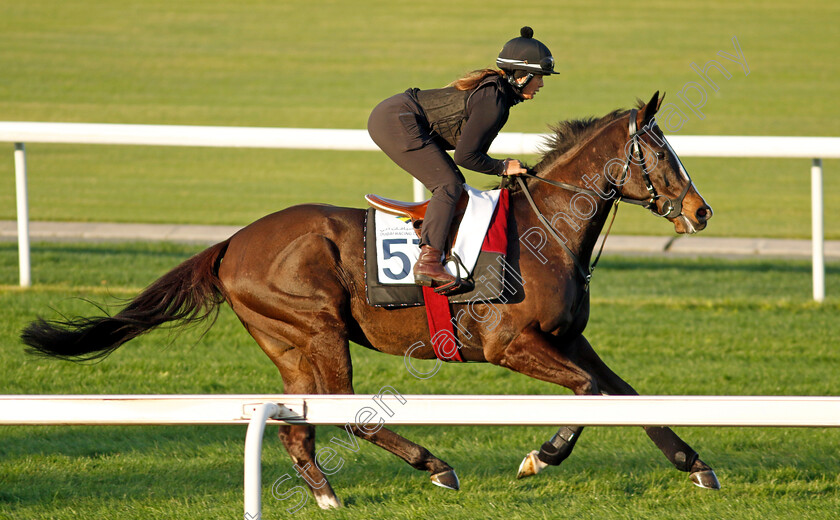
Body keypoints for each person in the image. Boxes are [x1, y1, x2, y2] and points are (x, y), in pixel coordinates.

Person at [367, 26, 558, 295]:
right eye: (539, 77)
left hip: (397, 114)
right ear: (521, 76)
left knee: (453, 183)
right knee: (449, 185)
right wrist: (503, 166)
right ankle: (429, 262)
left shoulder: (497, 95)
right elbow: (466, 156)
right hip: (395, 119)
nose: (541, 84)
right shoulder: (494, 100)